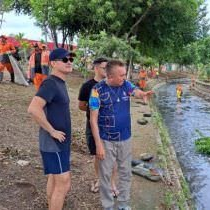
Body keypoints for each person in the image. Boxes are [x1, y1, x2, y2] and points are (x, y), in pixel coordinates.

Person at [89, 59, 153, 210]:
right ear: (110, 76)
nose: (125, 78)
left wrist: (142, 93)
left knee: (125, 173)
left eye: (125, 74)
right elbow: (93, 119)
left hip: (125, 138)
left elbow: (134, 91)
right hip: (106, 140)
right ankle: (108, 206)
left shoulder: (125, 84)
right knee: (105, 175)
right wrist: (98, 144)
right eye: (121, 75)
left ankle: (123, 204)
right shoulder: (96, 90)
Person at [27, 48, 75, 210]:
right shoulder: (50, 83)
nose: (69, 62)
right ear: (53, 63)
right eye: (65, 60)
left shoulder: (60, 83)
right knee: (64, 183)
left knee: (55, 179)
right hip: (53, 143)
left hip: (61, 142)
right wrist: (52, 130)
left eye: (71, 59)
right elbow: (34, 108)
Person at [78, 57, 118, 195]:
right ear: (95, 68)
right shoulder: (87, 86)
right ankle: (100, 180)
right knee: (97, 155)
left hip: (111, 126)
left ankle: (112, 183)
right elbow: (82, 106)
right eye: (103, 68)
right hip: (93, 126)